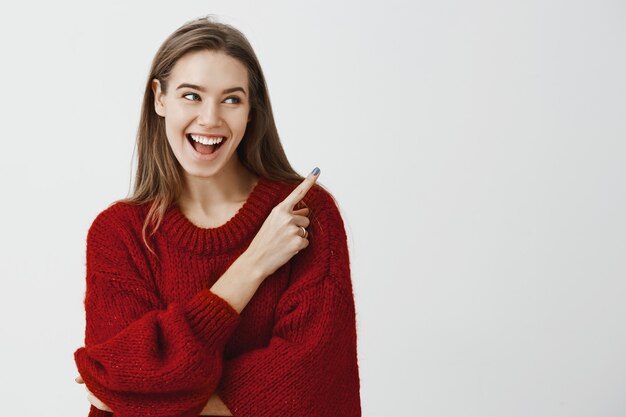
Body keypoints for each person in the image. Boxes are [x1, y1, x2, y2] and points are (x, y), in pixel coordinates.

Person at [73, 15, 361, 417]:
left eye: (231, 99)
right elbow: (122, 376)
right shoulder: (118, 234)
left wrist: (155, 400)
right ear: (159, 98)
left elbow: (312, 382)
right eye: (191, 95)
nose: (210, 119)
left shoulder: (306, 214)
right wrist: (252, 265)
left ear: (250, 110)